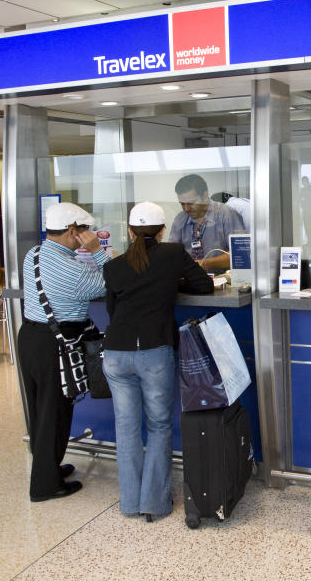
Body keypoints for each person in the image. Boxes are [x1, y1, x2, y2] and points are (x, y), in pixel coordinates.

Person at [102, 202, 213, 522]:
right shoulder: (173, 254)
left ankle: (130, 502)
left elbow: (113, 311)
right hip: (154, 352)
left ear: (130, 231)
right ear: (162, 230)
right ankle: (155, 503)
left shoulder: (114, 266)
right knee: (159, 426)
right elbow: (203, 285)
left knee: (126, 429)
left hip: (117, 354)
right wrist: (171, 284)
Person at [19, 203, 108, 502]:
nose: (89, 235)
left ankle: (49, 466)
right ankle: (45, 485)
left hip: (31, 337)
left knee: (42, 409)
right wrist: (97, 251)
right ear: (72, 231)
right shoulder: (73, 271)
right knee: (53, 412)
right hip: (53, 346)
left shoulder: (33, 255)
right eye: (85, 231)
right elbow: (113, 282)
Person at [168, 174, 246, 272]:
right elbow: (171, 254)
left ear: (205, 195)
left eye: (191, 203)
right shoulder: (180, 219)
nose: (186, 208)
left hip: (222, 280)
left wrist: (203, 263)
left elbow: (240, 254)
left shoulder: (225, 214)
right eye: (182, 203)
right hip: (190, 280)